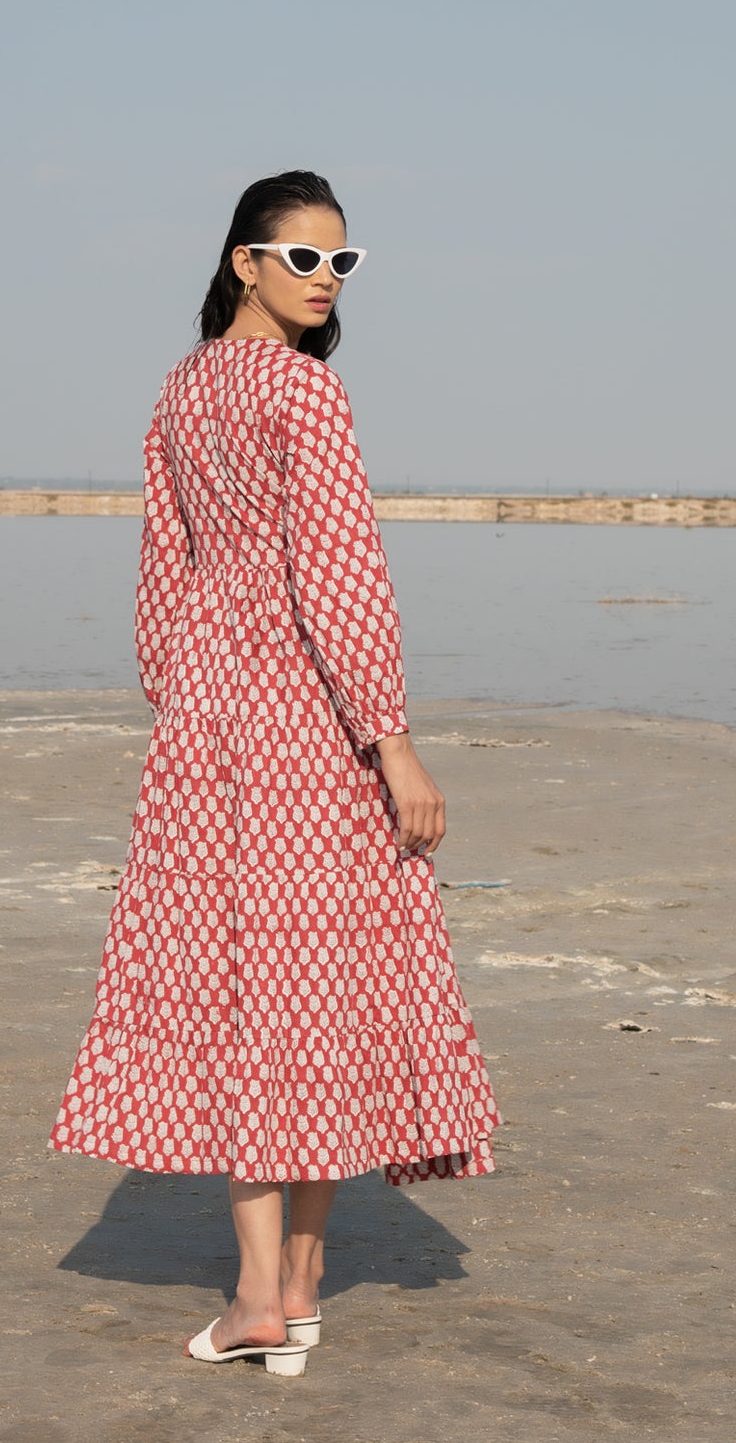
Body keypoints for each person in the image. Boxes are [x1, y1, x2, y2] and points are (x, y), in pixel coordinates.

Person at [49, 170, 499, 1375]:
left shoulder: (183, 391)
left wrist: (185, 692)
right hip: (308, 730)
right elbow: (341, 579)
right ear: (241, 261)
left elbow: (161, 574)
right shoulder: (303, 397)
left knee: (255, 985)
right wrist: (392, 741)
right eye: (300, 257)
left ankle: (287, 1292)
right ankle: (270, 1291)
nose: (323, 281)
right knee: (307, 986)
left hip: (207, 731)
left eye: (341, 264)